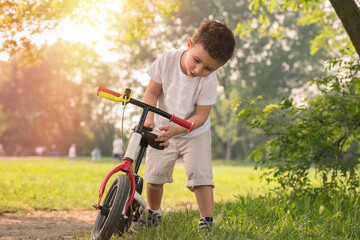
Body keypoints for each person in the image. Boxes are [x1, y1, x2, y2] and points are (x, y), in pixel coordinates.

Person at [136, 21, 235, 233]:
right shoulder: (166, 61)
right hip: (163, 129)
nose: (198, 70)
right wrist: (150, 117)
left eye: (208, 68)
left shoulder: (208, 81)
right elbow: (152, 93)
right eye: (197, 60)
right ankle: (154, 213)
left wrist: (181, 129)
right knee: (154, 177)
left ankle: (207, 221)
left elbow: (201, 115)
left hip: (194, 133)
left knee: (201, 177)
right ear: (189, 44)